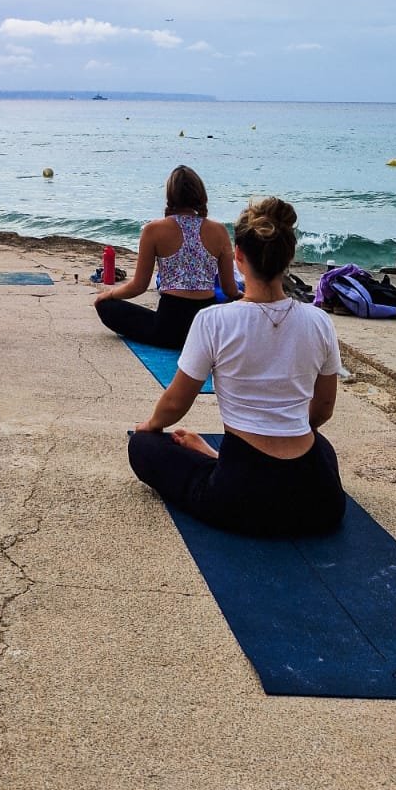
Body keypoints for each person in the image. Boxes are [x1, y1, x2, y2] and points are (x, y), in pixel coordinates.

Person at [127, 196, 346, 538]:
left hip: (241, 497)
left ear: (239, 258)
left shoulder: (214, 320)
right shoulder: (319, 322)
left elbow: (175, 404)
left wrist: (149, 427)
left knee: (141, 447)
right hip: (320, 502)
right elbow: (322, 410)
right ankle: (216, 457)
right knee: (320, 445)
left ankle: (216, 462)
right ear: (288, 258)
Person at [94, 166, 237, 349]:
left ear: (170, 195)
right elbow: (230, 290)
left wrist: (108, 294)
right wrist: (248, 299)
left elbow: (138, 286)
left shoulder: (153, 230)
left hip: (168, 328)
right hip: (206, 328)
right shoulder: (220, 231)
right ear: (200, 194)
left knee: (106, 307)